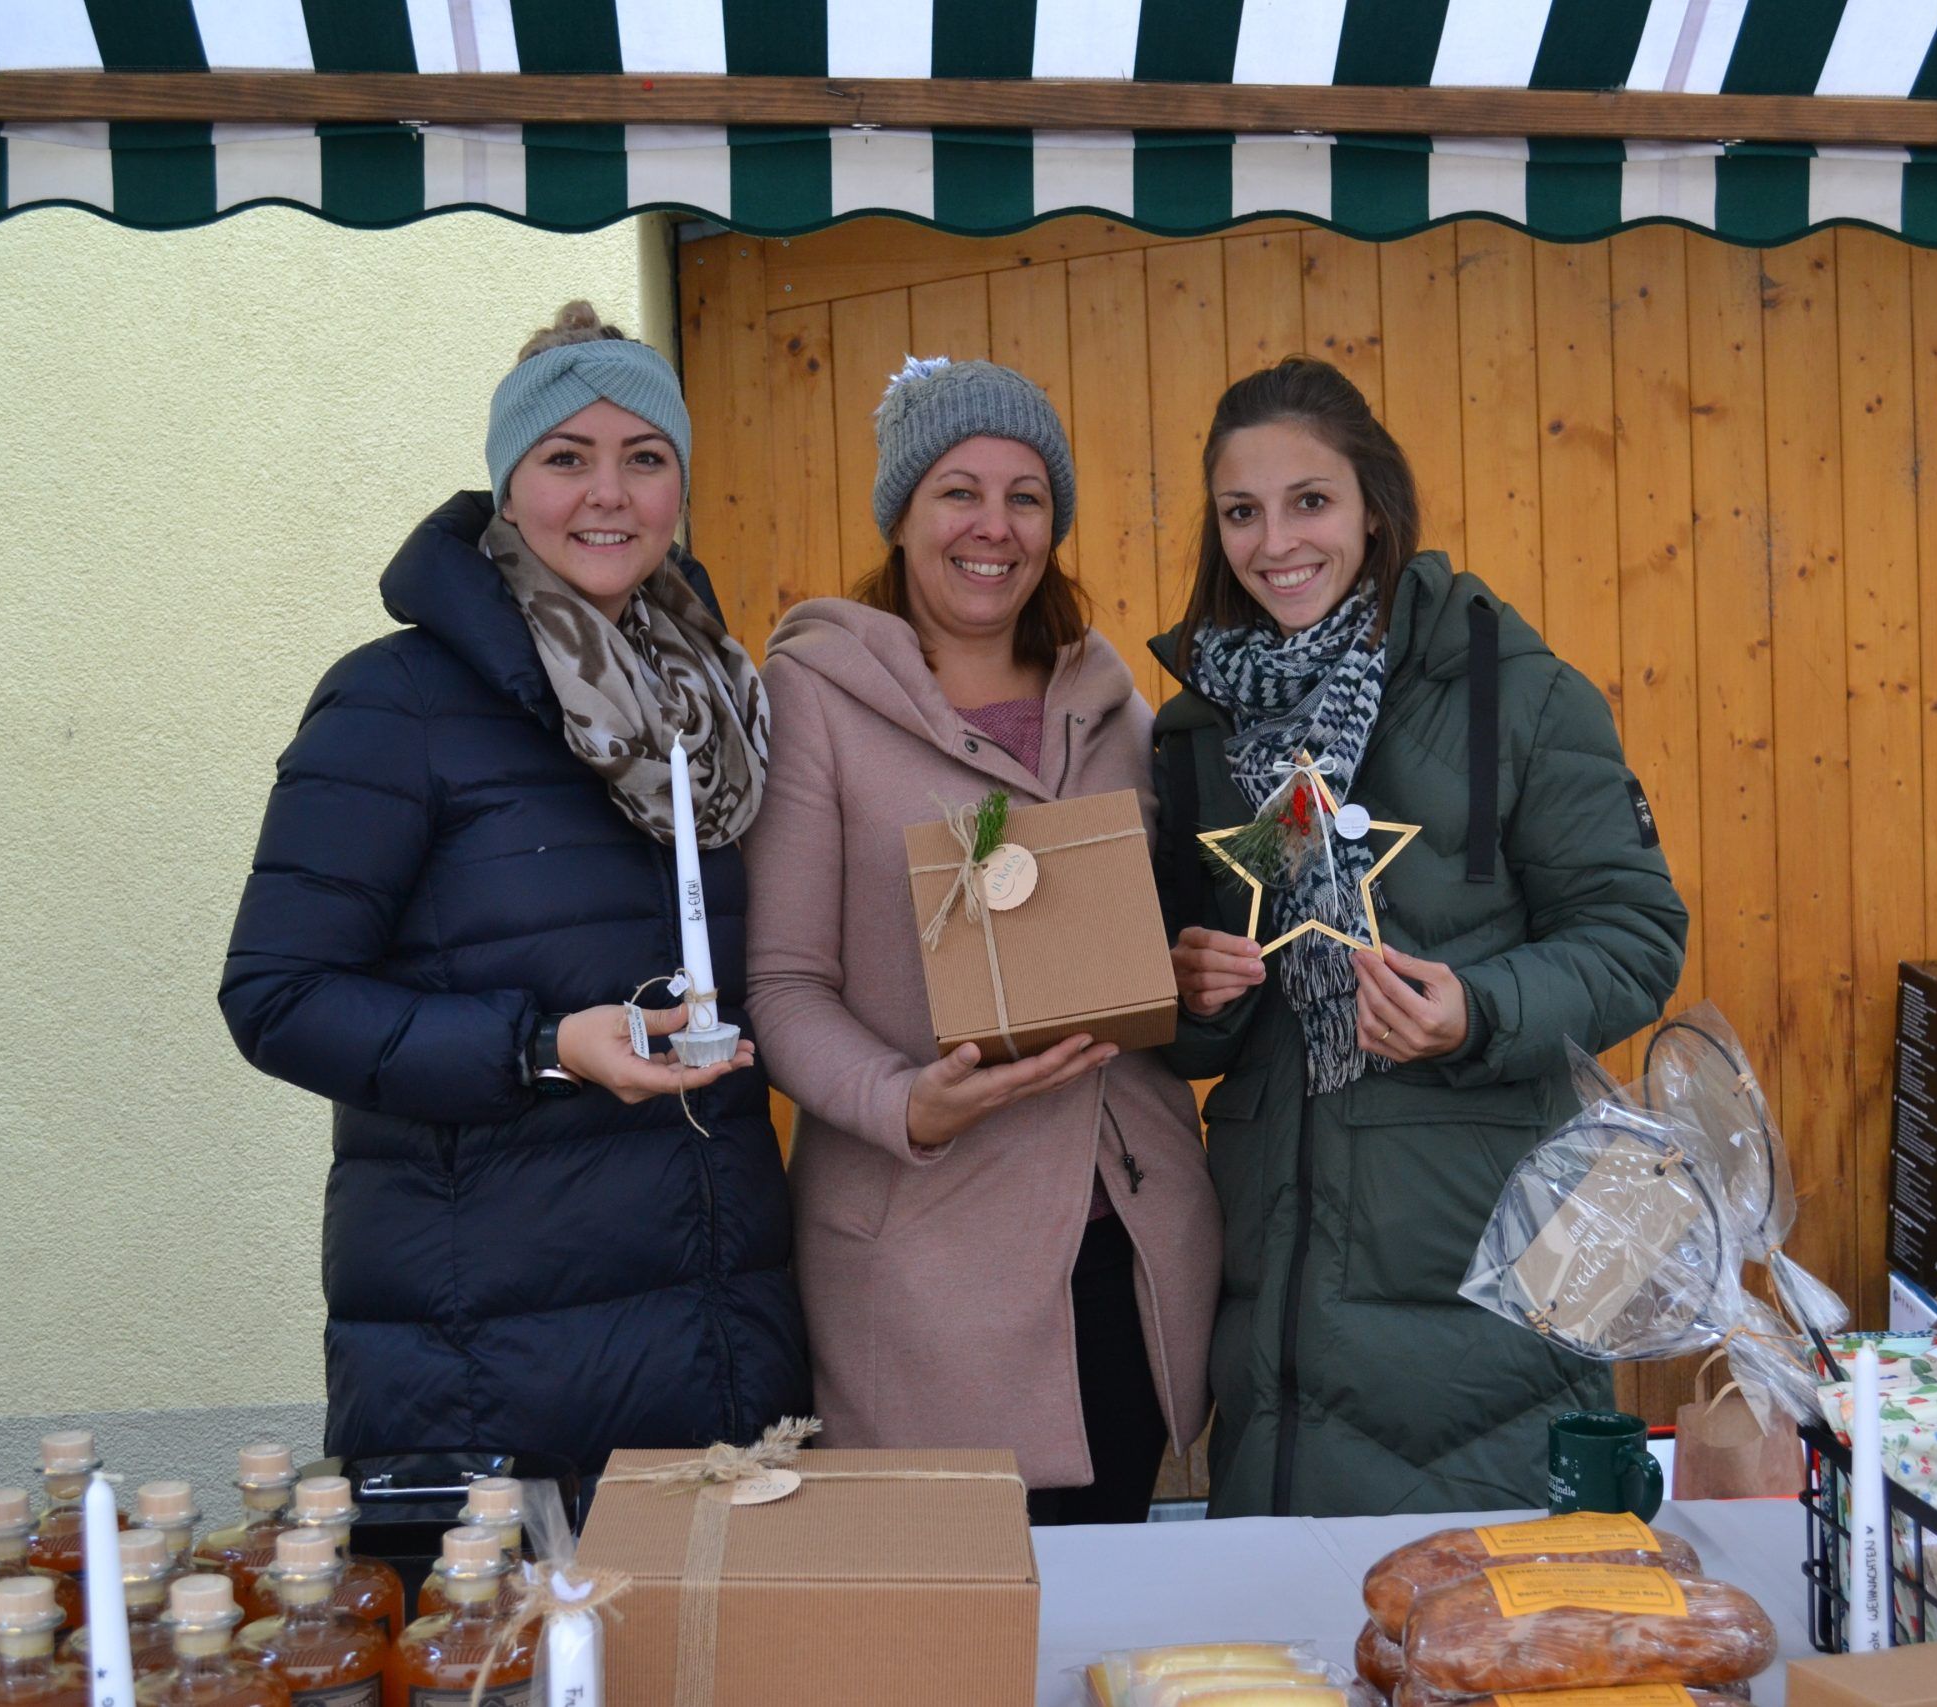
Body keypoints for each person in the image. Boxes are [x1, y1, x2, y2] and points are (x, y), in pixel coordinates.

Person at [220, 302, 809, 1473]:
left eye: (644, 459)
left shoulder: (712, 708)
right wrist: (543, 1048)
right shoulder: (396, 702)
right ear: (506, 484)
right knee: (517, 1662)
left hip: (717, 1323)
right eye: (565, 458)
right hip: (486, 1357)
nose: (609, 494)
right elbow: (276, 996)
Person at [1151, 356, 1689, 1517]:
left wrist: (1476, 1010)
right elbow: (1180, 1029)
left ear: (1373, 505)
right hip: (1271, 1293)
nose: (1274, 541)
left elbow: (1637, 934)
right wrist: (1196, 993)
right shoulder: (1194, 725)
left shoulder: (1513, 690)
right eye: (1241, 511)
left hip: (1476, 1275)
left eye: (1310, 501)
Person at [743, 357, 1219, 1523]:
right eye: (958, 491)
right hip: (925, 1271)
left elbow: (1139, 953)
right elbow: (783, 984)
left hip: (1125, 1251)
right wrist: (908, 1104)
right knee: (943, 1633)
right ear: (901, 512)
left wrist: (1193, 980)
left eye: (1026, 497)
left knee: (1099, 1603)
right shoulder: (811, 699)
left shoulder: (1120, 713)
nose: (992, 528)